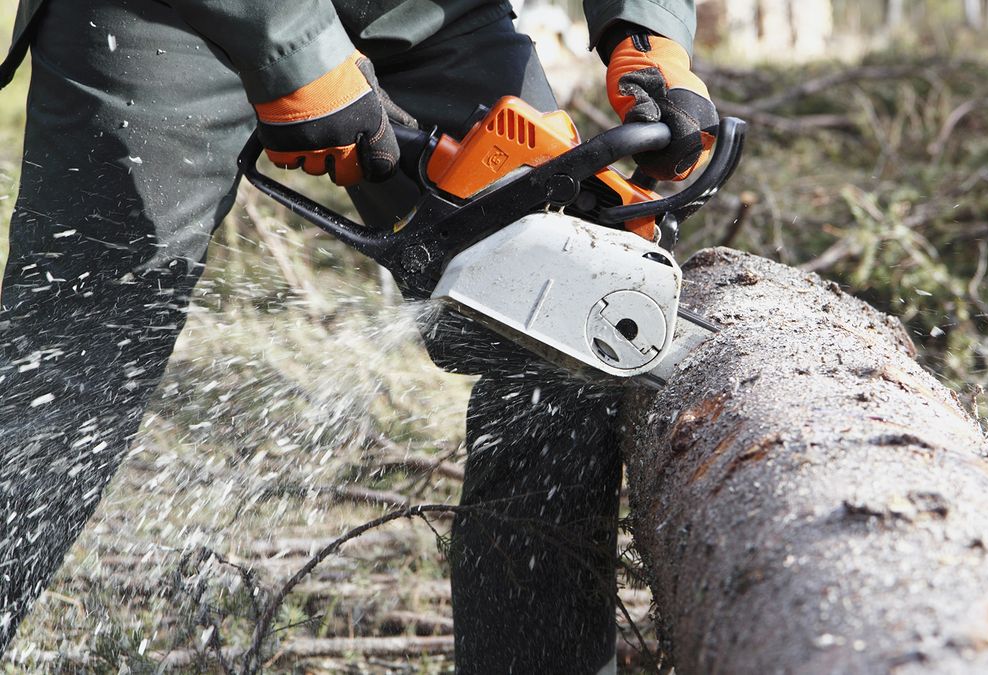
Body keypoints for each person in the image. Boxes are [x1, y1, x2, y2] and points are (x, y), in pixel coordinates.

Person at [0, 0, 717, 671]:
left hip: (430, 16)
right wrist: (292, 39)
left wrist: (644, 28)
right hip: (165, 14)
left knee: (572, 327)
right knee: (74, 357)